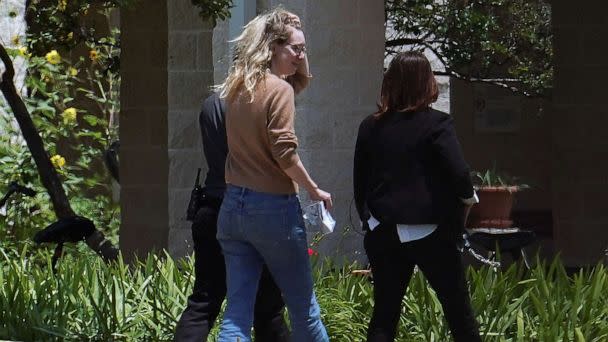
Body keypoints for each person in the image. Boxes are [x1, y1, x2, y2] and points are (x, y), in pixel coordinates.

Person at [215, 7, 331, 342]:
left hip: (233, 207)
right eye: (295, 49)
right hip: (272, 209)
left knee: (236, 315)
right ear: (272, 47)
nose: (300, 56)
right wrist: (313, 189)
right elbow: (285, 153)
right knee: (304, 309)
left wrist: (294, 33)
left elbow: (301, 79)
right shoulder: (278, 91)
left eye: (303, 49)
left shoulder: (236, 87)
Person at [353, 51, 482, 342]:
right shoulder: (437, 124)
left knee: (384, 315)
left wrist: (368, 218)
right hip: (430, 230)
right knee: (457, 311)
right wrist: (467, 201)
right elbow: (459, 173)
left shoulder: (370, 126)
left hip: (383, 230)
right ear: (427, 82)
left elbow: (359, 181)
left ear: (390, 83)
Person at [173, 92, 289, 342]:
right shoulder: (263, 105)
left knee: (203, 302)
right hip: (256, 209)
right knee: (268, 308)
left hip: (214, 206)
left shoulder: (211, 104)